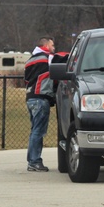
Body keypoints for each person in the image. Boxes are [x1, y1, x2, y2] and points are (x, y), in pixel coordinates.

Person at [24, 36, 66, 173]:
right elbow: (63, 57)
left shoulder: (29, 60)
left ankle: (32, 161)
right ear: (46, 45)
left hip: (30, 98)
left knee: (34, 130)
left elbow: (27, 80)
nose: (54, 48)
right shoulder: (47, 57)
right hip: (41, 99)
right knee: (38, 131)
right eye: (52, 45)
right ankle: (34, 161)